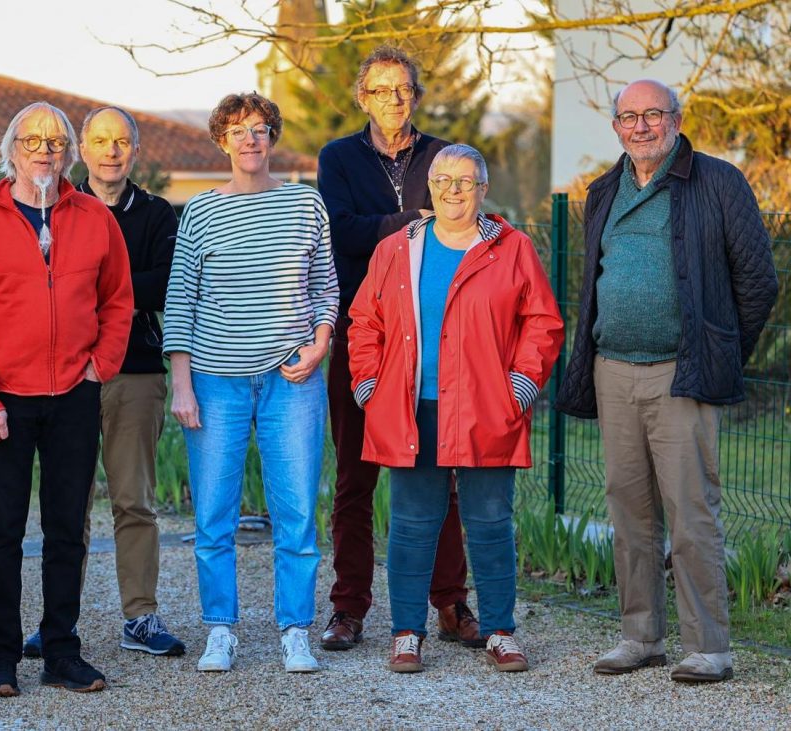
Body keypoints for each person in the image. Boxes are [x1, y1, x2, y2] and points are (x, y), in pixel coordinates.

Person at [556, 80, 778, 683]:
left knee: (691, 514)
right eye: (630, 116)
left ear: (677, 119)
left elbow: (758, 281)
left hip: (682, 375)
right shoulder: (604, 190)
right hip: (613, 369)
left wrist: (717, 349)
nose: (642, 126)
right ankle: (641, 637)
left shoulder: (716, 181)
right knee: (628, 513)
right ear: (617, 128)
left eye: (654, 114)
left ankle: (709, 648)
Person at [349, 144, 564, 673]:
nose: (452, 190)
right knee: (411, 524)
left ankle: (499, 631)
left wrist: (519, 386)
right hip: (411, 408)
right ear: (431, 187)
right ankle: (405, 634)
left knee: (490, 523)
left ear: (483, 191)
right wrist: (370, 386)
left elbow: (542, 322)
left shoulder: (512, 248)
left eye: (465, 182)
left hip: (487, 410)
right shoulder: (398, 249)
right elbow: (364, 322)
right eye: (443, 180)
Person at [0, 102, 134, 696]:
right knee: (1, 531)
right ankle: (0, 655)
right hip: (4, 400)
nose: (45, 150)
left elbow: (118, 301)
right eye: (33, 140)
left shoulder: (94, 218)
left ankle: (61, 650)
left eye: (56, 141)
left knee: (66, 531)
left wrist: (98, 368)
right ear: (12, 149)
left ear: (69, 153)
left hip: (74, 396)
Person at [163, 92, 338, 673]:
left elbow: (325, 288)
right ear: (222, 140)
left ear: (273, 138)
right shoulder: (201, 212)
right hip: (216, 381)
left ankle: (295, 629)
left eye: (260, 129)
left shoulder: (305, 203)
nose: (250, 139)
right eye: (238, 130)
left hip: (292, 379)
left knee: (296, 513)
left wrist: (320, 344)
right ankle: (220, 628)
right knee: (214, 514)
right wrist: (182, 385)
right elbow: (180, 300)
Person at [317, 45, 479, 650]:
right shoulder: (338, 157)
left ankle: (450, 602)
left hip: (434, 337)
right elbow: (340, 228)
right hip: (363, 336)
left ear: (416, 94)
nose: (393, 100)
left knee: (441, 477)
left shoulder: (443, 155)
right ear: (363, 98)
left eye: (403, 89)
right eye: (381, 90)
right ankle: (349, 608)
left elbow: (459, 225)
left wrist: (394, 225)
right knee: (355, 481)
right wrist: (414, 222)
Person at [21, 105, 184, 658]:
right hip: (66, 375)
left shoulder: (160, 214)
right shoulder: (55, 209)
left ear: (134, 150)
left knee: (133, 500)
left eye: (122, 141)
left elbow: (165, 285)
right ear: (80, 150)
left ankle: (140, 617)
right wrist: (110, 291)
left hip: (134, 372)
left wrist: (87, 287)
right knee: (66, 503)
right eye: (100, 140)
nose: (111, 150)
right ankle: (56, 623)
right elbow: (39, 286)